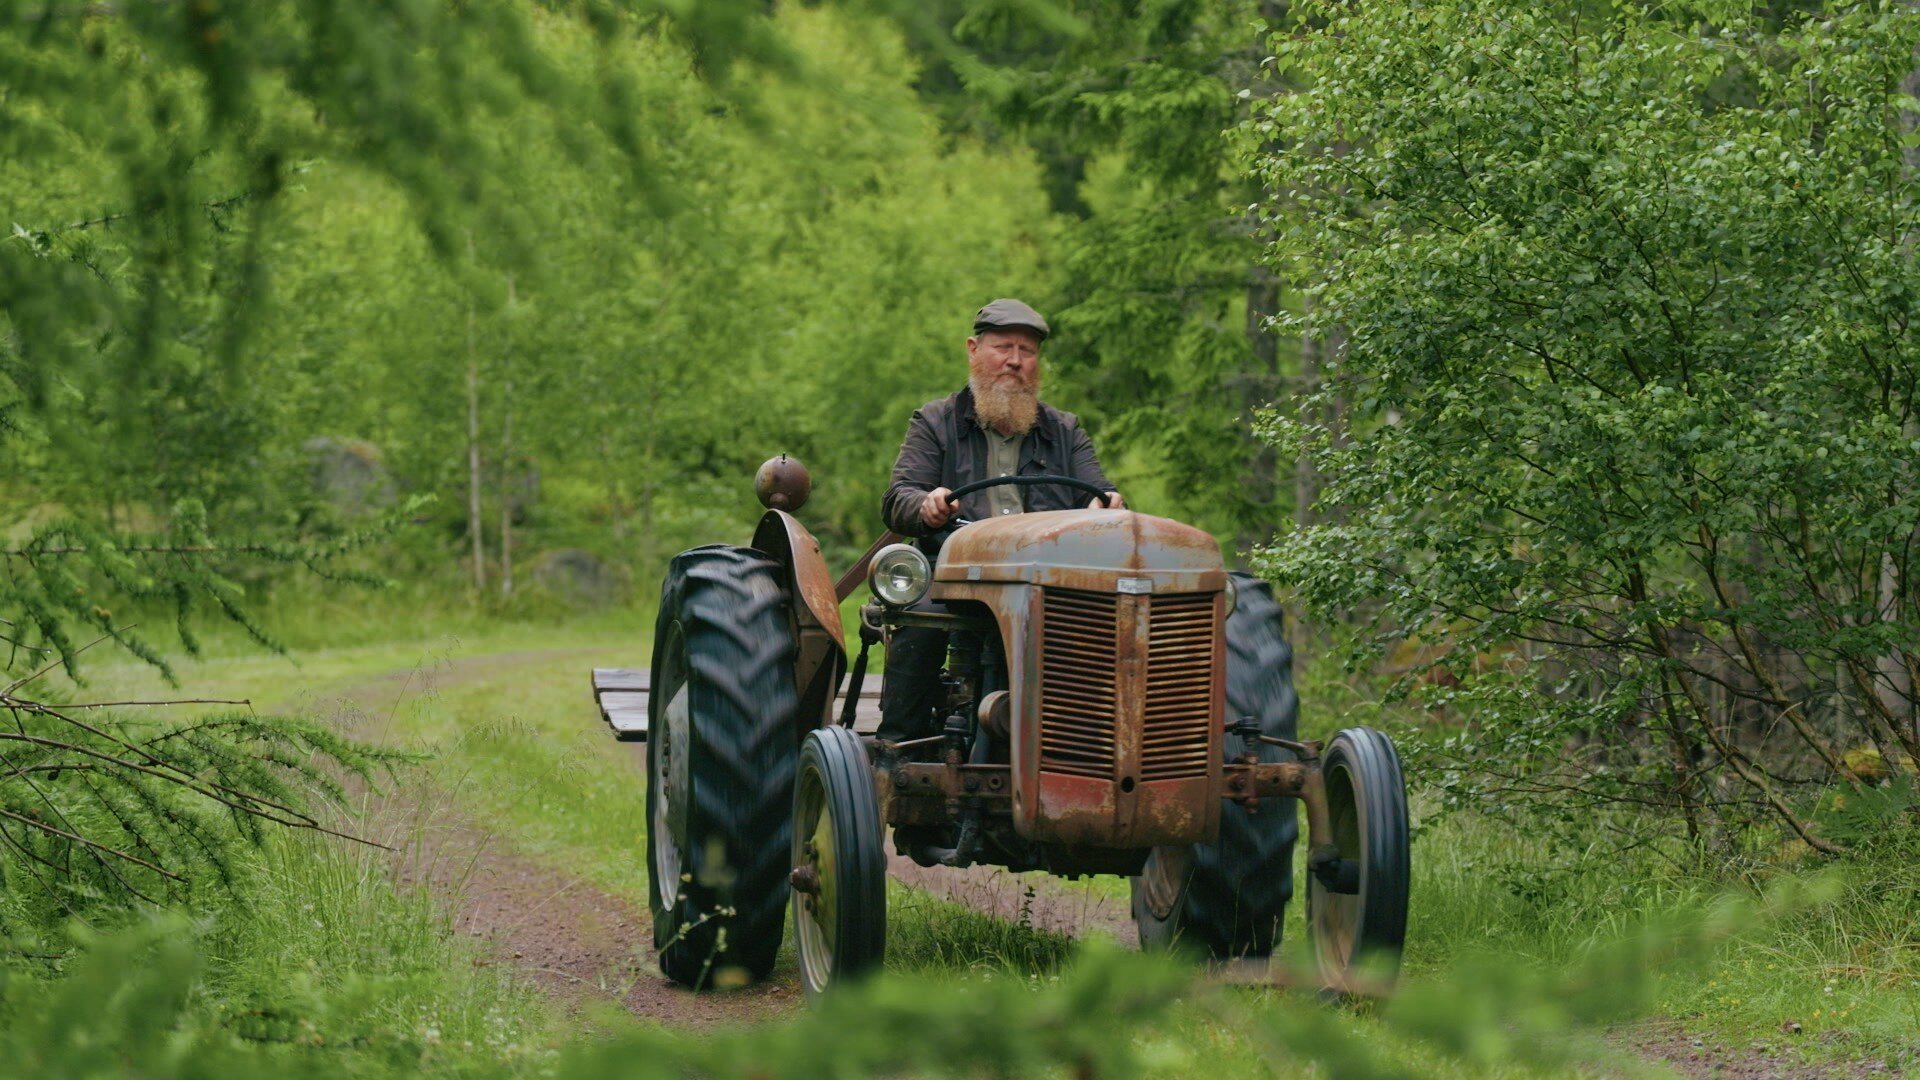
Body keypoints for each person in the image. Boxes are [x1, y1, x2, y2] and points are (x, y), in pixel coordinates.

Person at [876, 298, 1123, 741]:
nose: (1015, 361)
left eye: (1027, 352)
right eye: (1003, 347)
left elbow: (1100, 493)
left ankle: (1091, 744)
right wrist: (927, 505)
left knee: (1110, 625)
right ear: (973, 350)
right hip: (954, 578)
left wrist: (1107, 506)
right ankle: (900, 752)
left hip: (1047, 581)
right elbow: (898, 499)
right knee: (920, 623)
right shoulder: (936, 422)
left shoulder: (1065, 431)